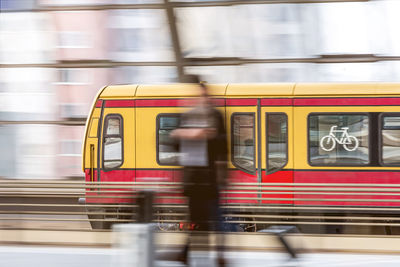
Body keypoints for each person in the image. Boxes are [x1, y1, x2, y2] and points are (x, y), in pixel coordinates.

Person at [170, 75, 227, 266]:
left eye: (206, 95)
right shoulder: (188, 116)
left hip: (211, 180)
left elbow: (223, 146)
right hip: (194, 180)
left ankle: (211, 255)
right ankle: (188, 253)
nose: (205, 99)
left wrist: (208, 136)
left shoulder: (216, 117)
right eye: (202, 95)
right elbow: (174, 143)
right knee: (198, 220)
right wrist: (190, 134)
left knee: (215, 220)